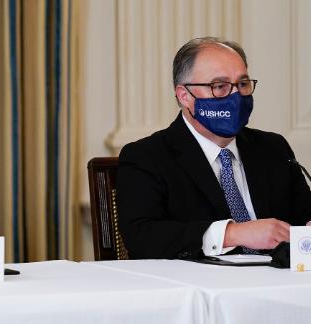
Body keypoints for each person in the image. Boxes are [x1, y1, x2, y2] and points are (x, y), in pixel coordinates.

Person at [117, 37, 311, 259]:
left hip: (279, 284)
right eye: (219, 86)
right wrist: (232, 234)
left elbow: (304, 215)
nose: (235, 96)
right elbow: (142, 237)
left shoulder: (273, 148)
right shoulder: (147, 156)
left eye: (242, 84)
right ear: (184, 96)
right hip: (199, 288)